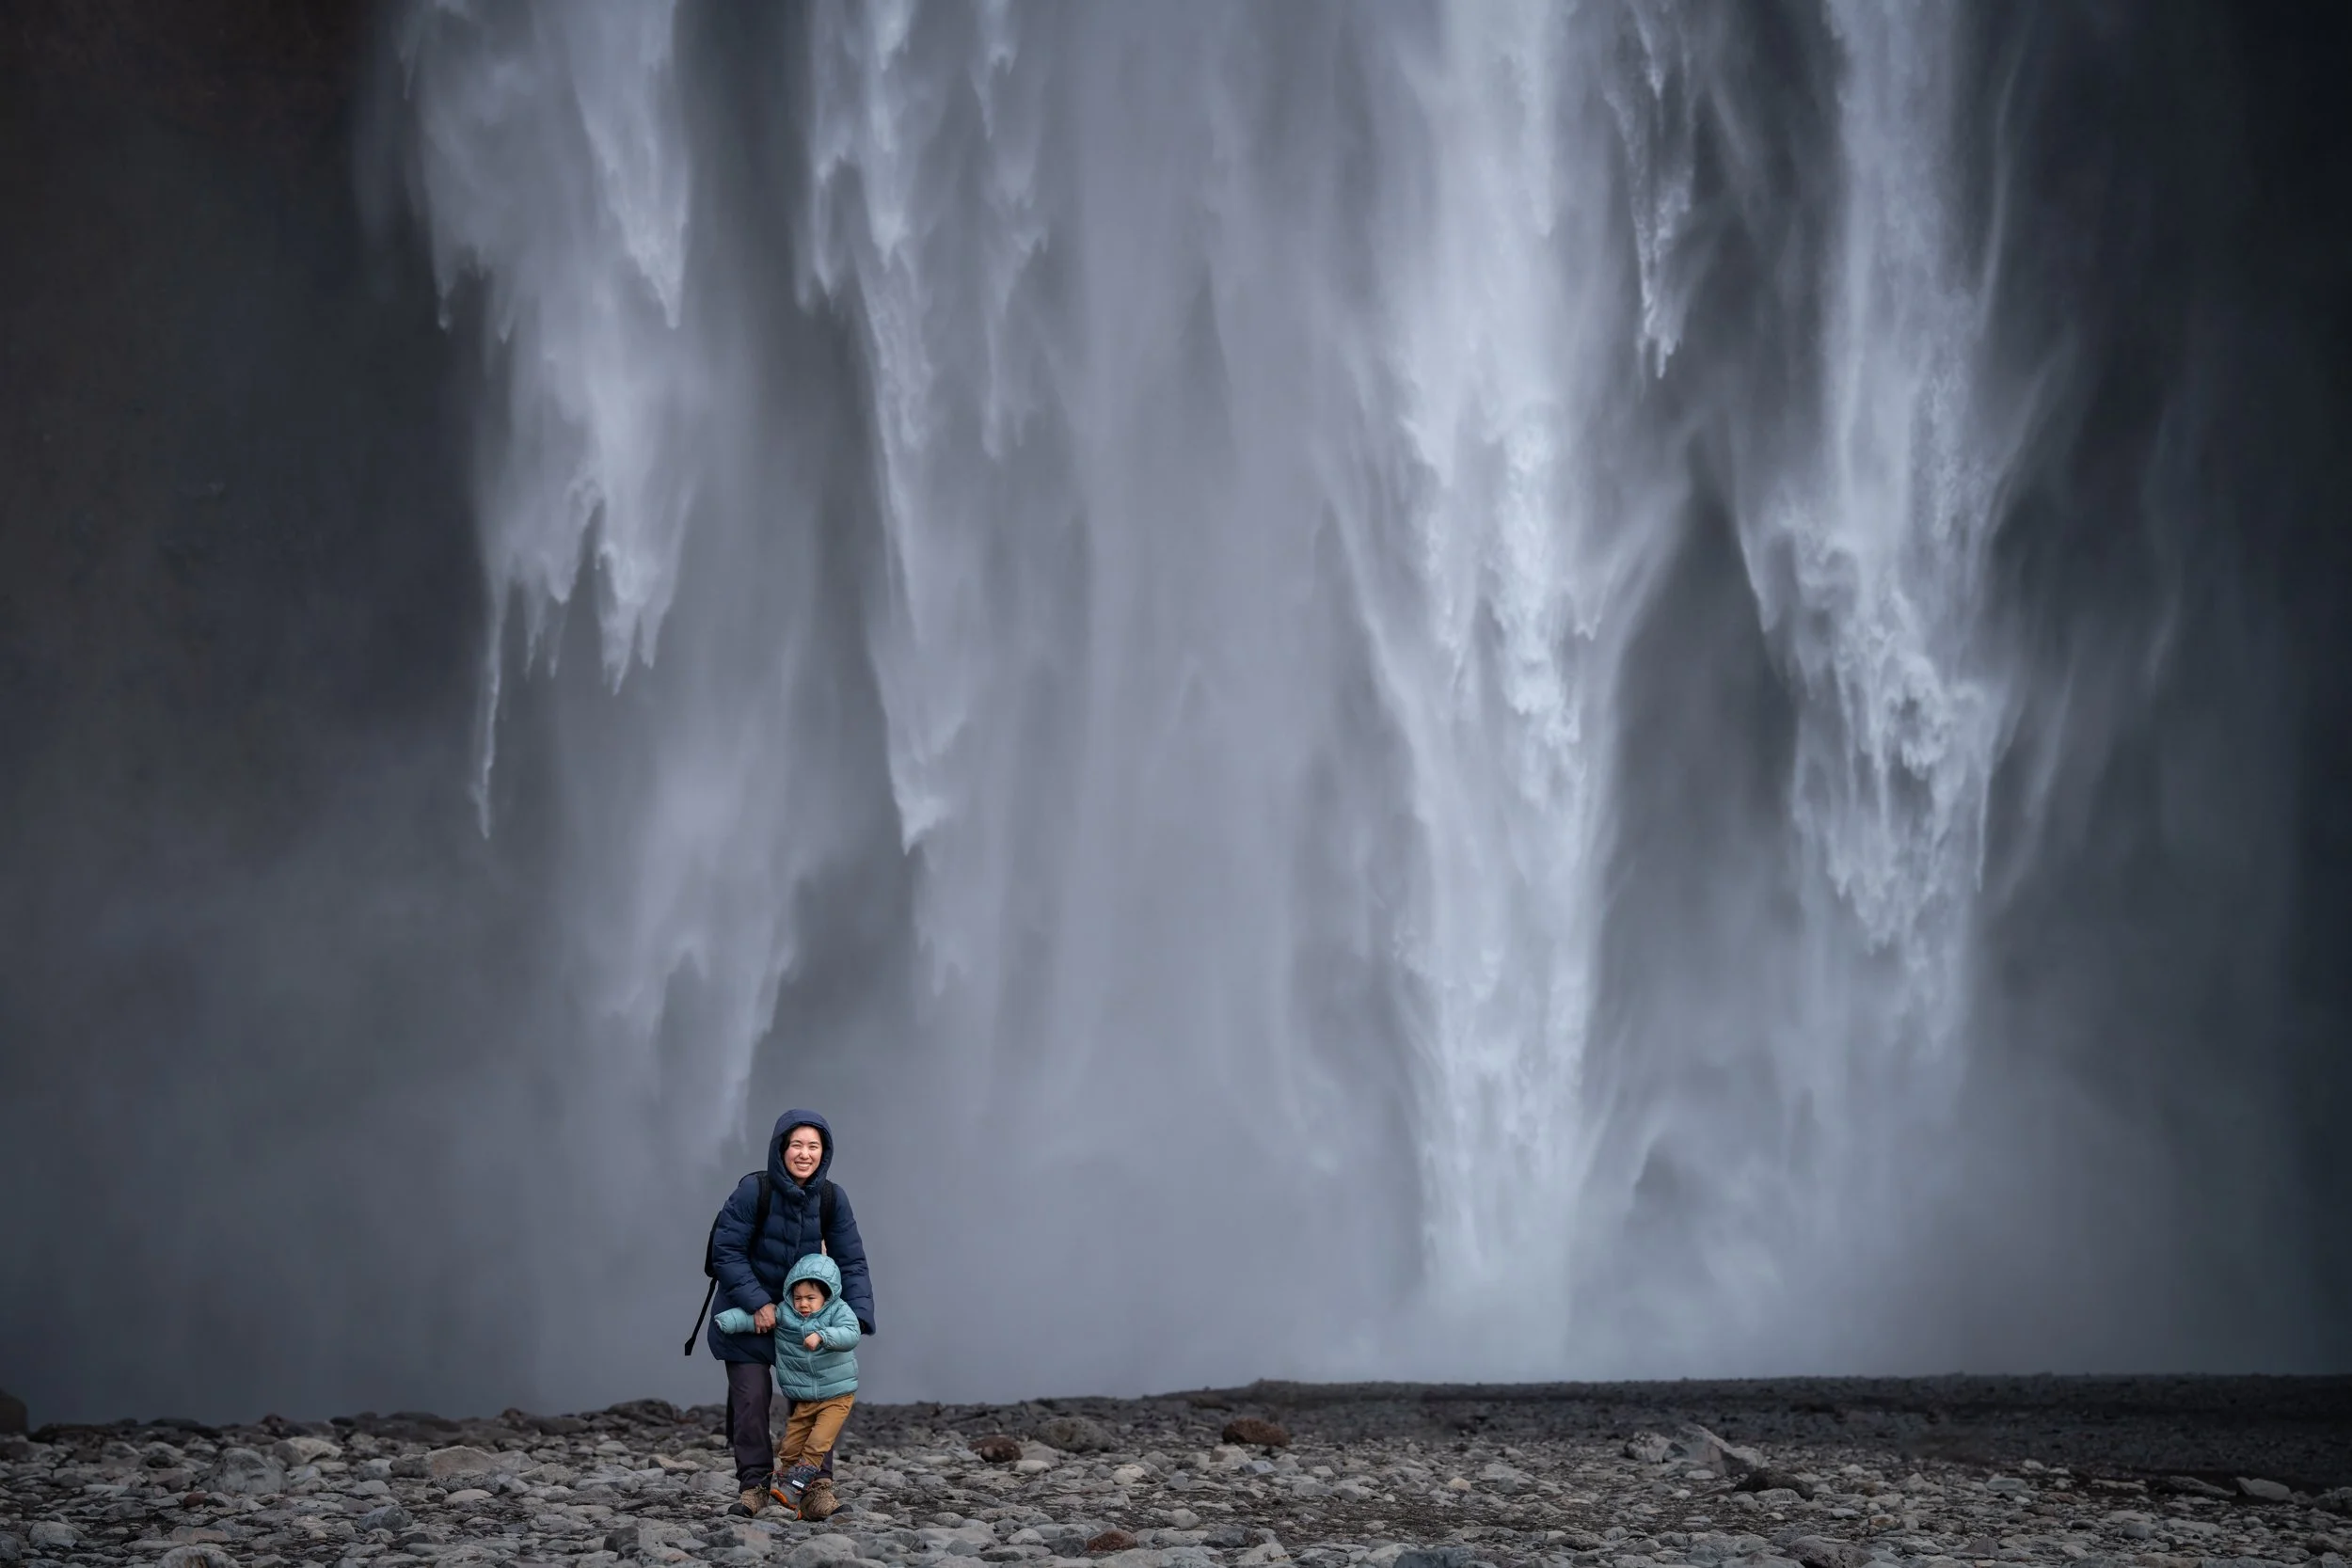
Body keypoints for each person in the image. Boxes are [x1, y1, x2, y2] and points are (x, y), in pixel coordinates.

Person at [707, 1110, 875, 1518]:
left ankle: (816, 1489)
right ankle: (755, 1487)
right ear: (781, 1149)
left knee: (819, 1394)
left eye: (813, 1146)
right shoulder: (754, 1191)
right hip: (748, 1311)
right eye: (796, 1145)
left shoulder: (832, 1198)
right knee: (752, 1398)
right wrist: (756, 1303)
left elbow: (850, 1260)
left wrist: (857, 1315)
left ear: (824, 1152)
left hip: (807, 1314)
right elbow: (724, 1252)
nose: (804, 1154)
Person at [713, 1252, 860, 1517]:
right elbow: (755, 1320)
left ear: (827, 1296)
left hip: (836, 1394)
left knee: (817, 1442)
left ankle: (803, 1484)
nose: (803, 1304)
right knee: (791, 1446)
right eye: (798, 1297)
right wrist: (729, 1321)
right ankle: (794, 1494)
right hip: (804, 1392)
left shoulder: (838, 1312)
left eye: (811, 1298)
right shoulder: (787, 1313)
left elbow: (851, 1333)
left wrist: (823, 1336)